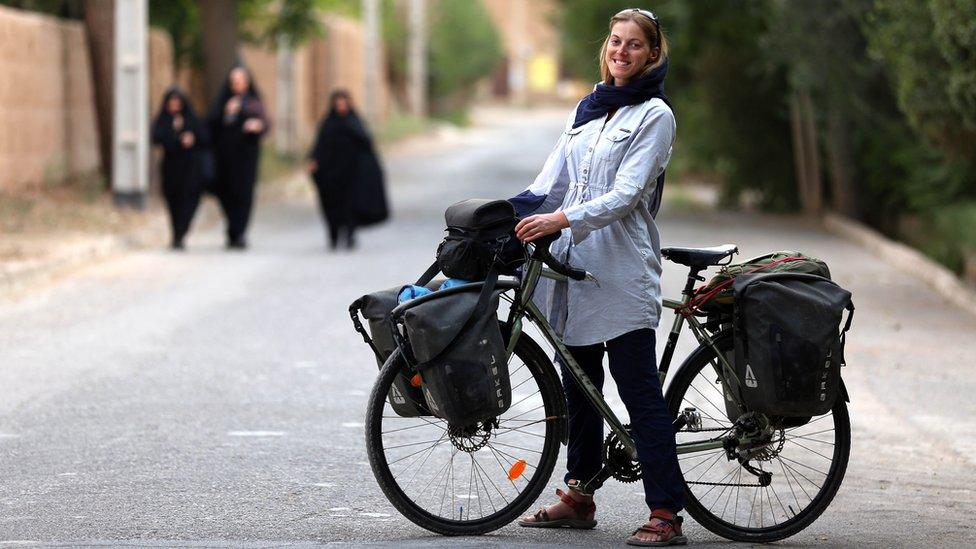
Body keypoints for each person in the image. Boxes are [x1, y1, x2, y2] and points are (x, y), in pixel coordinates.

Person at [512, 8, 686, 547]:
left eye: (635, 45)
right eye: (616, 42)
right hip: (574, 268)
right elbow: (553, 181)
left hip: (622, 269)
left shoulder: (655, 115)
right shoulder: (587, 110)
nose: (622, 52)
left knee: (638, 392)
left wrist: (562, 218)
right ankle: (578, 496)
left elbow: (627, 194)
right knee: (579, 387)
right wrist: (508, 214)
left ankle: (665, 512)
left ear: (652, 55)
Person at [306, 90, 388, 250]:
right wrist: (313, 159)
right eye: (338, 103)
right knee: (331, 206)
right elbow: (319, 144)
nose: (341, 106)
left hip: (352, 174)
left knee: (350, 207)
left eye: (344, 103)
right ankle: (333, 236)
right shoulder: (328, 123)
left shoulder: (355, 122)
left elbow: (367, 144)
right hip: (330, 173)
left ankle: (350, 236)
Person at [207, 66, 269, 250]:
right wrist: (227, 113)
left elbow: (265, 122)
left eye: (240, 81)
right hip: (224, 157)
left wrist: (256, 125)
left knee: (244, 195)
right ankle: (232, 229)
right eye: (234, 81)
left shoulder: (254, 103)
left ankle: (240, 232)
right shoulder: (222, 102)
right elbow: (211, 125)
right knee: (226, 192)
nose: (237, 85)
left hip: (247, 158)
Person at [151, 86, 209, 250]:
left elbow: (204, 137)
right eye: (172, 102)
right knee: (173, 200)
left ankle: (182, 231)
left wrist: (192, 138)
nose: (175, 105)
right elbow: (156, 138)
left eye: (178, 102)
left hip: (190, 168)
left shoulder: (191, 119)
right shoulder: (163, 119)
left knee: (189, 200)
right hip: (171, 167)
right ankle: (176, 234)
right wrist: (175, 136)